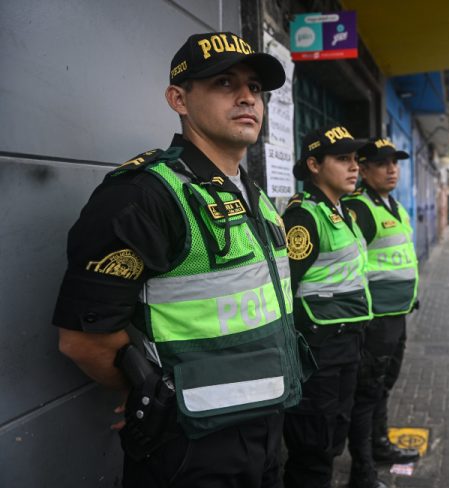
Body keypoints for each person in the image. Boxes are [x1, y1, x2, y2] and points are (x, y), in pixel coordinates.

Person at [52, 32, 304, 487]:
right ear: (179, 99)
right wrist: (150, 393)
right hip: (192, 448)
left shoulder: (253, 194)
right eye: (224, 83)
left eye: (254, 87)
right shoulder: (145, 195)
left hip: (264, 423)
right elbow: (82, 339)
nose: (247, 97)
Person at [282, 125, 373, 488]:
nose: (354, 167)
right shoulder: (304, 217)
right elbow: (284, 289)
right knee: (312, 450)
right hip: (317, 352)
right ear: (314, 164)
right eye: (342, 159)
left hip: (347, 344)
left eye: (355, 160)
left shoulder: (342, 213)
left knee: (333, 438)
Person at [344, 139, 421, 488]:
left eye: (395, 162)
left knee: (384, 385)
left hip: (397, 313)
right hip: (374, 320)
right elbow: (351, 267)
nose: (391, 169)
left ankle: (381, 445)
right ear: (362, 168)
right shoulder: (359, 209)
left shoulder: (395, 207)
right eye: (381, 163)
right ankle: (362, 473)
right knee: (367, 392)